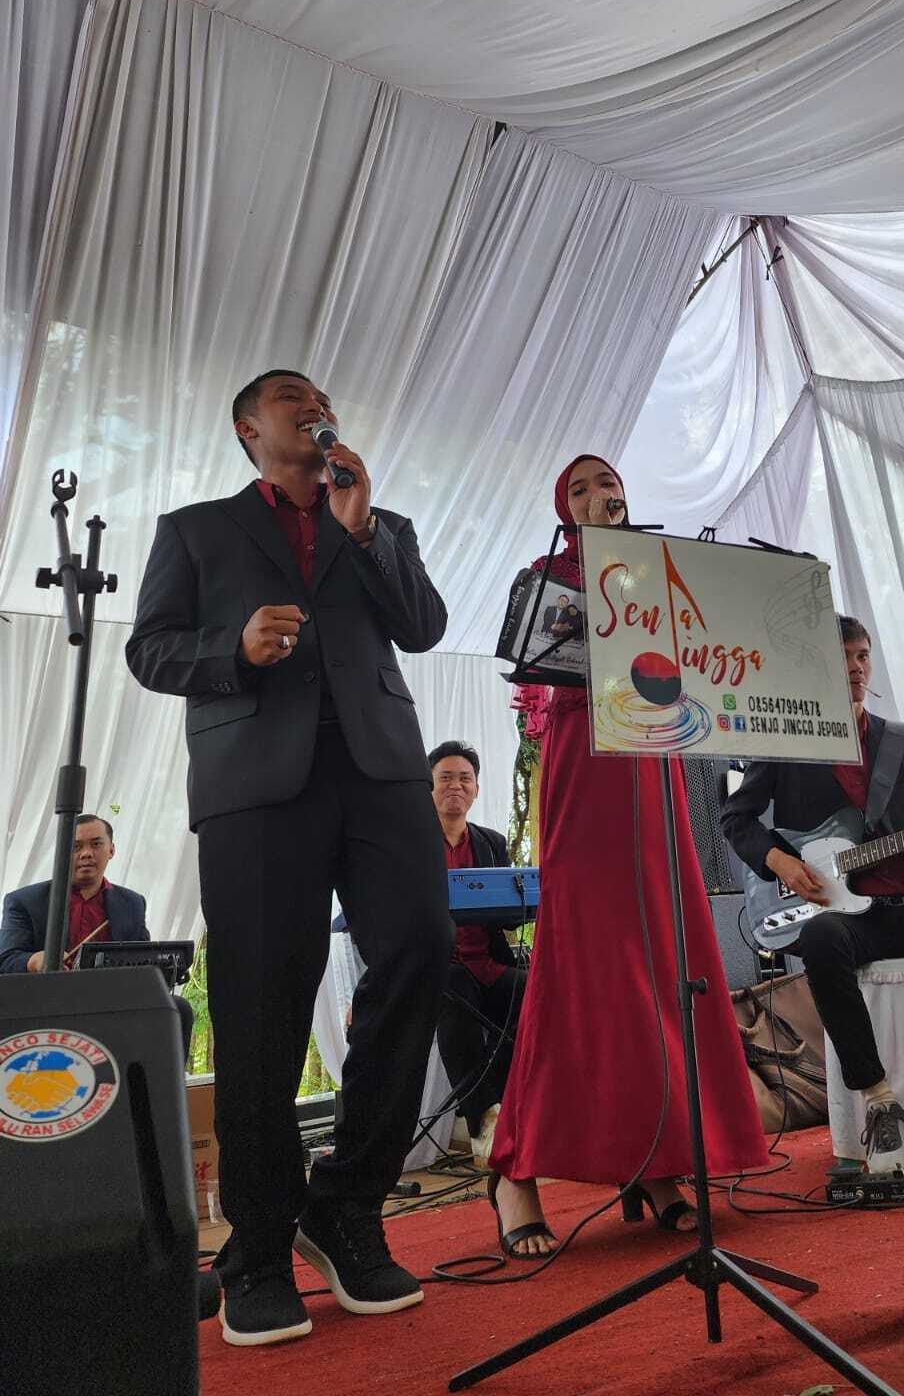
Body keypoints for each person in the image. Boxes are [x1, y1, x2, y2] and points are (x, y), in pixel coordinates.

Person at [126, 368, 452, 1348]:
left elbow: (424, 628)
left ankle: (346, 1204)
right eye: (289, 397)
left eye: (322, 396)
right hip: (257, 785)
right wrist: (232, 648)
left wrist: (365, 529)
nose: (315, 405)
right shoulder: (196, 530)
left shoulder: (378, 522)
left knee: (422, 950)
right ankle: (260, 1248)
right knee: (261, 1001)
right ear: (248, 428)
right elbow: (151, 650)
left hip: (380, 772)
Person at [488, 455, 767, 1256]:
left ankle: (658, 1160)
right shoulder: (548, 575)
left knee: (662, 958)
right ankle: (514, 1169)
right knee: (580, 962)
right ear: (563, 509)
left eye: (606, 485)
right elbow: (538, 671)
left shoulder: (658, 571)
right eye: (578, 489)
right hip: (586, 760)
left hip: (653, 760)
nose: (597, 496)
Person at [721, 616, 904, 1173]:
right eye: (843, 657)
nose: (856, 667)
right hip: (850, 916)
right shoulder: (787, 743)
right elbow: (736, 819)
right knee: (821, 940)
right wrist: (782, 860)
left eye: (862, 656)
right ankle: (880, 1103)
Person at [0, 814, 196, 1053]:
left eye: (96, 844)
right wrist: (35, 960)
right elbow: (6, 959)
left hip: (113, 1001)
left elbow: (143, 962)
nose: (86, 854)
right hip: (47, 1002)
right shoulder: (25, 901)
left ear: (111, 850)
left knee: (178, 1009)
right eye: (76, 847)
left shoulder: (132, 903)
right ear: (62, 853)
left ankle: (158, 1079)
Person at [429, 740, 526, 1169]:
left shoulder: (491, 842)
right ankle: (482, 1119)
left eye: (465, 778)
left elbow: (506, 915)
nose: (456, 786)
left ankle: (498, 1105)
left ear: (476, 789)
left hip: (487, 963)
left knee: (535, 994)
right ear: (428, 788)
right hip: (438, 967)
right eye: (446, 778)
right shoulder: (410, 843)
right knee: (453, 995)